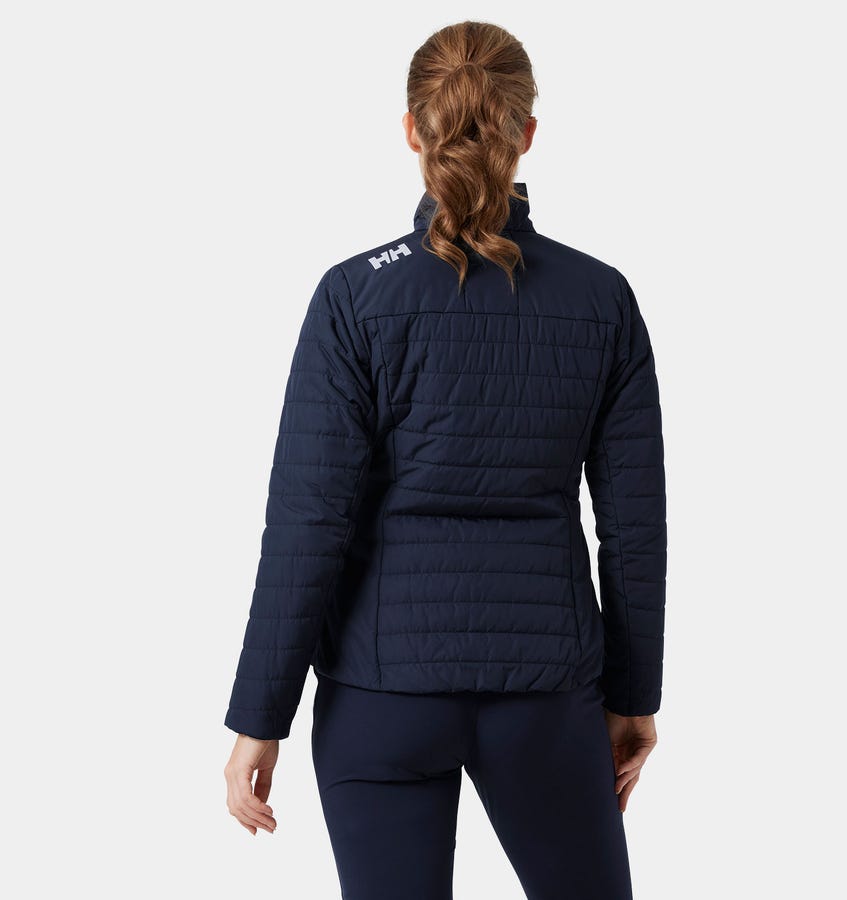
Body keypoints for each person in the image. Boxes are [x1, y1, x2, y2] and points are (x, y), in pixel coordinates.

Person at [223, 19, 667, 900]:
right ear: (526, 132)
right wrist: (633, 696)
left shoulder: (354, 297)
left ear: (411, 130)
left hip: (380, 696)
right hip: (546, 699)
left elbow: (307, 526)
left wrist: (258, 718)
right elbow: (634, 530)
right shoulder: (602, 299)